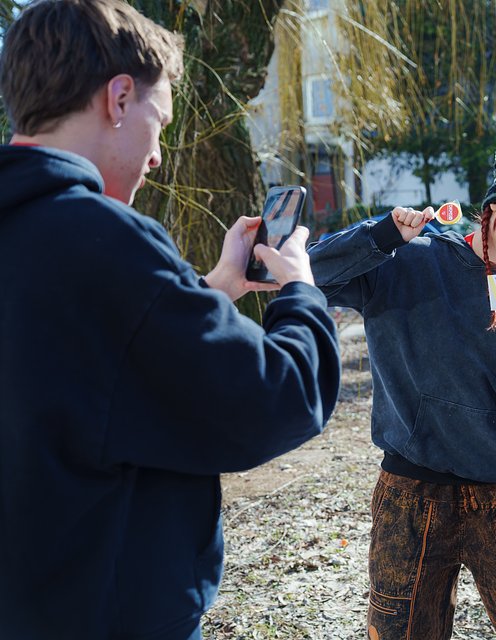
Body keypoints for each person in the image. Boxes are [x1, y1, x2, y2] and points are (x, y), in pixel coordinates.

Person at [0, 1, 340, 638]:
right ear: (119, 98)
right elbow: (277, 399)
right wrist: (299, 291)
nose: (157, 156)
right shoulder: (106, 240)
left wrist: (213, 289)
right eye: (160, 120)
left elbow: (86, 357)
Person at [308, 145, 496, 640]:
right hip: (412, 492)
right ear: (494, 206)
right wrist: (383, 235)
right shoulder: (412, 257)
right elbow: (310, 273)